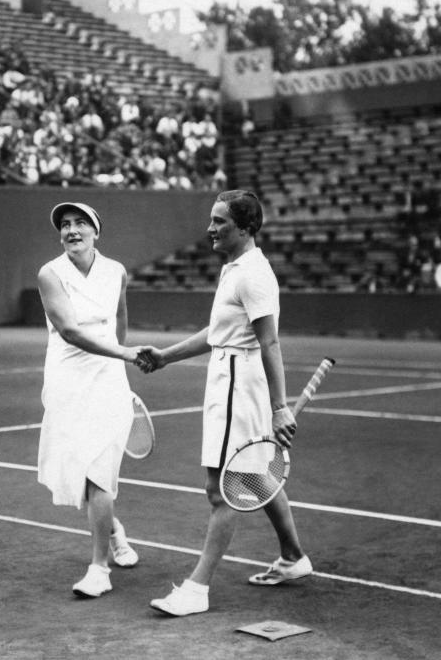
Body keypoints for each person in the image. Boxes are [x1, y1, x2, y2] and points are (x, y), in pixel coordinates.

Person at [137, 190, 311, 617]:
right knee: (254, 477)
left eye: (220, 222)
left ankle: (197, 588)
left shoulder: (253, 274)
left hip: (240, 386)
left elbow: (269, 341)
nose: (210, 228)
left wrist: (279, 406)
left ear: (247, 228)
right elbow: (217, 332)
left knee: (223, 490)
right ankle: (293, 558)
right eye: (211, 219)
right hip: (227, 379)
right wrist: (165, 357)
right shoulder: (234, 268)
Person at [36, 201, 143, 599]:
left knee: (99, 473)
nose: (72, 230)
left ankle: (99, 568)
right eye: (65, 224)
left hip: (108, 381)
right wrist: (126, 354)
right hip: (67, 379)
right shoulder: (50, 274)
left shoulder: (116, 271)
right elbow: (69, 331)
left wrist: (122, 364)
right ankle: (113, 529)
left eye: (80, 223)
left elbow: (120, 320)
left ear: (96, 231)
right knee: (81, 473)